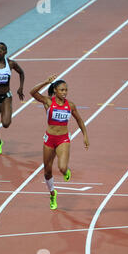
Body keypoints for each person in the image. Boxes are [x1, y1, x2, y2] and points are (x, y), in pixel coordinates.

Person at [30, 75, 89, 209]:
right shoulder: (48, 102)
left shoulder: (71, 105)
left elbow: (79, 120)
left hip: (63, 139)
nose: (64, 92)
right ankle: (52, 194)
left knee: (62, 167)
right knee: (47, 172)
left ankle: (66, 171)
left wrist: (85, 135)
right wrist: (45, 81)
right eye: (62, 90)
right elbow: (32, 92)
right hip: (49, 139)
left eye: (66, 90)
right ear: (55, 90)